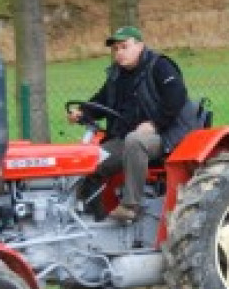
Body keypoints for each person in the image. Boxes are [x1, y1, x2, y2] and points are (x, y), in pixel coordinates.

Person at [68, 26, 198, 222]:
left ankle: (130, 206)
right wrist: (83, 111)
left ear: (140, 46)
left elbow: (176, 98)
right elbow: (101, 100)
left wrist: (155, 124)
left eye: (124, 47)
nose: (119, 53)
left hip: (166, 135)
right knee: (91, 158)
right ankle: (88, 210)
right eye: (115, 49)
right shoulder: (117, 75)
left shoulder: (160, 66)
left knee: (136, 140)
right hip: (128, 138)